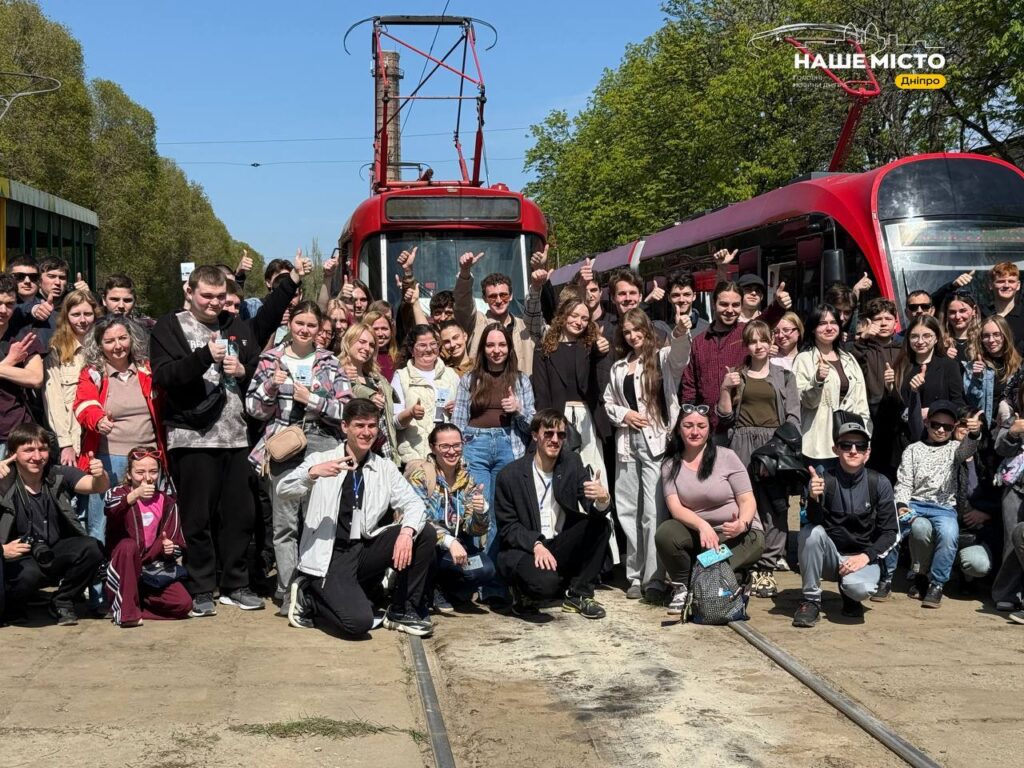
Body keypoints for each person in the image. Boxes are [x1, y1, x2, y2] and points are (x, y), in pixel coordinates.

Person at [150, 265, 265, 616]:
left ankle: (235, 583)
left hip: (235, 435)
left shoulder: (235, 324)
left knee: (238, 516)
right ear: (190, 291)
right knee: (197, 517)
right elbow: (165, 376)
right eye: (207, 296)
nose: (214, 304)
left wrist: (244, 372)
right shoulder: (170, 326)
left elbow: (256, 366)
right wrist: (203, 357)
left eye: (220, 297)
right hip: (191, 436)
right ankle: (201, 587)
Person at [280, 398, 435, 637]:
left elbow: (414, 503)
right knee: (358, 623)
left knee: (423, 532)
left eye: (371, 426)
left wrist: (406, 532)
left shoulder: (384, 467)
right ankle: (308, 596)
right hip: (329, 557)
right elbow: (283, 489)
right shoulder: (321, 460)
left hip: (362, 549)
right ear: (345, 427)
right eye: (359, 425)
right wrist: (312, 474)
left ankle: (402, 610)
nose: (366, 432)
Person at [245, 301, 348, 614]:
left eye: (311, 325)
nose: (305, 330)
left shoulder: (330, 362)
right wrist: (270, 388)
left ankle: (312, 588)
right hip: (283, 443)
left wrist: (312, 399)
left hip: (321, 441)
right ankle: (288, 590)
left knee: (315, 520)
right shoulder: (270, 359)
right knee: (285, 523)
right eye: (300, 323)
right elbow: (253, 409)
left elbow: (345, 410)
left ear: (319, 329)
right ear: (291, 325)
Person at [74, 315, 165, 607]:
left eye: (122, 338)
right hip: (109, 458)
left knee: (148, 524)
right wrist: (97, 419)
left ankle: (145, 588)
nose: (117, 346)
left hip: (149, 458)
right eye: (109, 341)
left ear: (132, 339)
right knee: (102, 524)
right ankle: (100, 593)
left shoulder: (146, 370)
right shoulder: (93, 373)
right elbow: (83, 404)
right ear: (99, 344)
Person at [603, 308, 690, 602]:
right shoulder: (617, 368)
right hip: (626, 444)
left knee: (652, 512)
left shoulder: (661, 359)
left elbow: (680, 357)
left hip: (655, 444)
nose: (632, 336)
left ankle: (654, 578)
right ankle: (634, 576)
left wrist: (679, 332)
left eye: (637, 330)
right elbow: (608, 402)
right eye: (627, 332)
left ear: (647, 329)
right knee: (627, 510)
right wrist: (624, 414)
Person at [494, 409, 613, 619]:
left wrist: (602, 499)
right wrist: (535, 544)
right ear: (535, 435)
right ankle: (524, 595)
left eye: (561, 435)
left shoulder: (571, 463)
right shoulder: (510, 475)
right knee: (545, 586)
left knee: (601, 525)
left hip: (557, 543)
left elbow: (590, 504)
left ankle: (579, 594)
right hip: (525, 549)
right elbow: (508, 527)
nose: (555, 440)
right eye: (548, 433)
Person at [654, 404, 765, 614]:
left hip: (738, 536)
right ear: (679, 428)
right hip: (702, 536)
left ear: (709, 430)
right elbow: (676, 508)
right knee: (666, 533)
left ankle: (708, 580)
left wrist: (742, 524)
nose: (695, 431)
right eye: (688, 425)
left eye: (701, 426)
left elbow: (747, 500)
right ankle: (683, 586)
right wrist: (702, 525)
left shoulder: (727, 457)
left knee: (709, 564)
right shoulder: (669, 464)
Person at [716, 320, 800, 597]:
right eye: (753, 341)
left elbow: (793, 417)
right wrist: (726, 389)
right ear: (747, 345)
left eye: (764, 339)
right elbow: (725, 417)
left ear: (770, 341)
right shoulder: (737, 375)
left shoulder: (784, 376)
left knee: (775, 506)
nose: (759, 345)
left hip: (773, 445)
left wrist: (780, 446)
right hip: (741, 443)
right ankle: (746, 561)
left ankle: (768, 565)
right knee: (743, 504)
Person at [0, 423, 108, 625]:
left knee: (92, 548)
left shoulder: (57, 474)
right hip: (18, 556)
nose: (37, 456)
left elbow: (95, 486)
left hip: (54, 550)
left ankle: (62, 600)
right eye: (28, 450)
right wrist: (2, 549)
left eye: (42, 449)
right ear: (13, 453)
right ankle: (14, 608)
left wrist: (100, 474)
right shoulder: (4, 481)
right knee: (27, 575)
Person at [792, 420, 898, 627]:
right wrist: (813, 497)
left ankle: (849, 593)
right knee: (810, 533)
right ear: (835, 449)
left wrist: (866, 556)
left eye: (860, 446)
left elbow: (890, 532)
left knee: (860, 589)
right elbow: (812, 522)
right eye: (846, 445)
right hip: (830, 556)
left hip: (860, 557)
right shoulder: (823, 479)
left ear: (868, 452)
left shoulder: (880, 483)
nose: (853, 450)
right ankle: (811, 600)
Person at [885, 401, 982, 607]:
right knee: (893, 529)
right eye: (936, 424)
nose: (940, 430)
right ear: (927, 423)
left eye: (947, 427)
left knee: (948, 535)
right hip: (914, 504)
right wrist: (902, 505)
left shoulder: (956, 449)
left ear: (954, 428)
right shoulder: (913, 449)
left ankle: (937, 584)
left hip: (944, 507)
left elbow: (968, 448)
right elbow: (903, 481)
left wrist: (974, 433)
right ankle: (886, 578)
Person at [406, 423, 493, 611]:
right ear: (432, 447)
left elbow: (474, 529)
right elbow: (419, 520)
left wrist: (481, 512)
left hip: (456, 545)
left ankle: (445, 588)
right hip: (428, 546)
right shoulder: (421, 477)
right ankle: (429, 587)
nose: (452, 451)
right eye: (444, 446)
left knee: (485, 569)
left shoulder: (467, 478)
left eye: (457, 445)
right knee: (429, 548)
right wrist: (449, 541)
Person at [681, 280, 789, 430]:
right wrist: (689, 417)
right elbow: (690, 386)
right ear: (714, 304)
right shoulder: (699, 342)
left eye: (736, 305)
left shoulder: (746, 332)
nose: (730, 310)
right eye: (724, 304)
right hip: (707, 427)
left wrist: (778, 305)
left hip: (741, 427)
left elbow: (766, 319)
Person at [103, 446, 191, 627]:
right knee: (128, 545)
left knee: (184, 604)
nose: (147, 477)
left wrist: (170, 548)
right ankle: (127, 614)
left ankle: (134, 605)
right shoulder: (118, 493)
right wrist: (135, 495)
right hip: (122, 568)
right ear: (129, 474)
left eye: (153, 471)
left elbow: (177, 542)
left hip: (151, 571)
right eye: (140, 472)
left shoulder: (167, 501)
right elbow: (111, 510)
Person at [533, 297, 609, 476]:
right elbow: (541, 391)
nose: (579, 322)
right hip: (558, 416)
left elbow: (596, 373)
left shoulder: (591, 346)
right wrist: (548, 424)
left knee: (592, 469)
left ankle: (593, 504)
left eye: (584, 318)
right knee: (560, 470)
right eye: (574, 316)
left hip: (587, 416)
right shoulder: (543, 349)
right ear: (563, 316)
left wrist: (599, 350)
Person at [793, 304, 870, 468]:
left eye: (833, 322)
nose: (829, 327)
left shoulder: (848, 359)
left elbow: (861, 403)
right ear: (813, 328)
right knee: (821, 491)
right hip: (819, 445)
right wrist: (818, 380)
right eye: (822, 323)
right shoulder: (804, 360)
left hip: (850, 445)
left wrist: (865, 438)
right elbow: (807, 402)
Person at [454, 252, 535, 376]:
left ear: (511, 296)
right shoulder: (476, 323)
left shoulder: (524, 327)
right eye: (492, 296)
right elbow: (463, 304)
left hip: (519, 391)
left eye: (503, 295)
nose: (498, 301)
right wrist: (465, 272)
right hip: (484, 389)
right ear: (484, 299)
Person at [44, 289, 100, 468]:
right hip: (74, 438)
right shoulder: (56, 350)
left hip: (103, 435)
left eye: (88, 314)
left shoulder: (105, 345)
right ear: (66, 316)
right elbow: (54, 401)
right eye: (76, 314)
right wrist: (65, 443)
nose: (82, 320)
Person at [392, 325, 461, 465]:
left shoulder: (451, 375)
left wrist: (457, 409)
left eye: (433, 344)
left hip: (448, 456)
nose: (429, 349)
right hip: (415, 457)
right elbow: (394, 422)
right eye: (422, 345)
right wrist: (410, 413)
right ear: (412, 350)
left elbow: (465, 415)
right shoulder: (401, 377)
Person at [340, 322, 399, 463]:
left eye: (372, 345)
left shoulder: (377, 379)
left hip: (381, 450)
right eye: (362, 342)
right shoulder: (336, 371)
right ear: (349, 341)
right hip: (349, 451)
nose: (367, 348)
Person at [0, 274, 45, 453]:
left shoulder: (23, 337)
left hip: (16, 431)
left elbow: (35, 378)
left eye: (9, 304)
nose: (3, 310)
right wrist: (10, 362)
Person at [966, 316, 1020, 422]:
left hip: (1010, 429)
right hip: (985, 428)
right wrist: (976, 378)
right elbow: (971, 405)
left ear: (1005, 336)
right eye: (986, 336)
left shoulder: (1019, 365)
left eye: (996, 334)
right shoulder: (974, 365)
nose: (991, 340)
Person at [984, 262, 1024, 351]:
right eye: (1001, 281)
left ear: (1018, 285)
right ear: (990, 285)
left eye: (1011, 281)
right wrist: (952, 286)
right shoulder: (981, 314)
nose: (1006, 285)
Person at [363, 307, 398, 382]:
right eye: (375, 329)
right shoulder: (361, 360)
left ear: (391, 331)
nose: (380, 334)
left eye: (384, 329)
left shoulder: (398, 359)